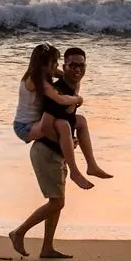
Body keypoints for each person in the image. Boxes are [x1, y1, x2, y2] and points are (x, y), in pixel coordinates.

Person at [12, 43, 94, 190]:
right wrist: (78, 99)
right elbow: (60, 99)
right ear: (44, 65)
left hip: (34, 122)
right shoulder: (37, 81)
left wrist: (72, 74)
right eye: (54, 63)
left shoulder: (41, 73)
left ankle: (91, 164)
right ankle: (74, 172)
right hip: (25, 127)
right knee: (62, 125)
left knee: (80, 120)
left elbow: (64, 75)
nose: (56, 66)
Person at [41, 47, 113, 182]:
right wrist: (65, 142)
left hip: (59, 150)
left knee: (80, 120)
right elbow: (45, 127)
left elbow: (76, 82)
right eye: (73, 66)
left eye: (81, 65)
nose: (78, 70)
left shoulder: (73, 84)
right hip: (47, 151)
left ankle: (92, 165)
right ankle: (78, 171)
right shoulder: (57, 94)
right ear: (64, 67)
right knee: (56, 203)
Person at [8, 126, 73, 259]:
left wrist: (69, 141)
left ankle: (47, 248)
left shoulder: (65, 107)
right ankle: (19, 232)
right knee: (57, 202)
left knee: (56, 201)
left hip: (57, 154)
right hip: (48, 154)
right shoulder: (56, 105)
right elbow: (46, 127)